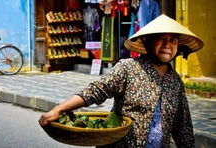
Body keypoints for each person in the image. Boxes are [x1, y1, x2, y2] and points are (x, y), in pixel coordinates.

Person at [38, 14, 204, 147]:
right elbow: (95, 91)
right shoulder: (128, 68)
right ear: (147, 42)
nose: (167, 45)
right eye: (161, 38)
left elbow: (183, 126)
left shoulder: (175, 81)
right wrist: (59, 110)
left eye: (173, 40)